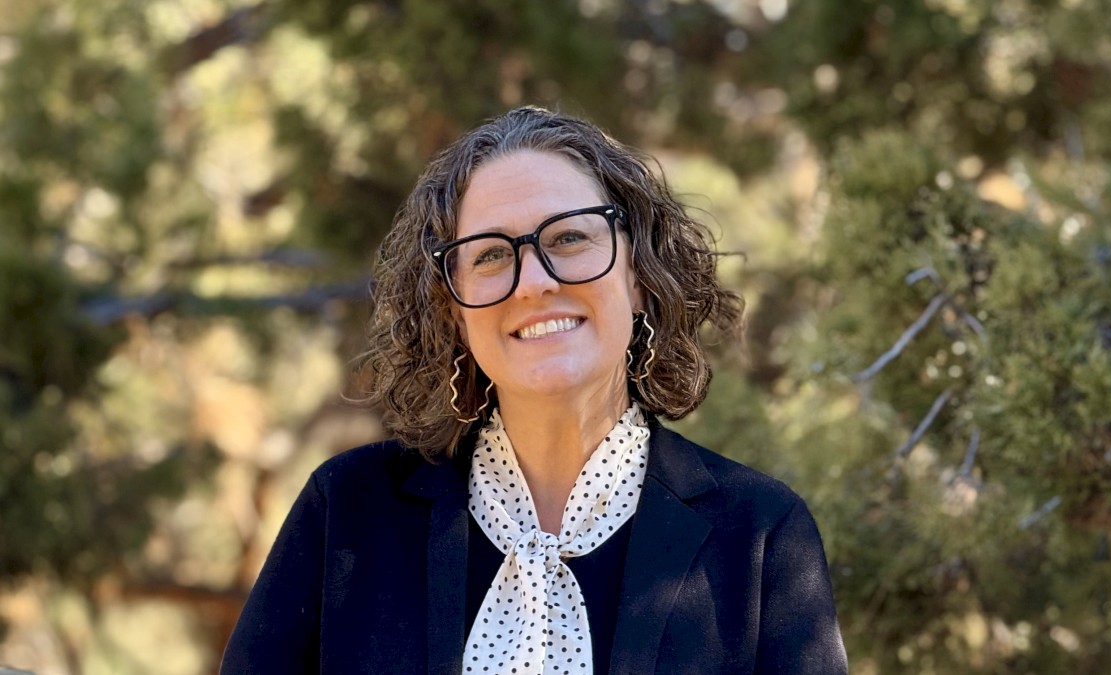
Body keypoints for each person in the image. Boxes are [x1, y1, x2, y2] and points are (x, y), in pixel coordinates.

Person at [220, 106, 847, 674]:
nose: (533, 282)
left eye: (570, 238)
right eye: (490, 254)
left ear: (639, 276)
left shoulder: (761, 534)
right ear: (452, 309)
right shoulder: (346, 513)